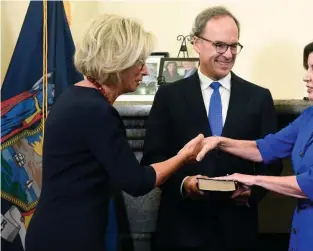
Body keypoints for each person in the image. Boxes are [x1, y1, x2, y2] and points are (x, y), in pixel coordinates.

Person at [25, 14, 203, 251]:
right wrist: (184, 155)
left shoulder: (76, 96)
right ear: (118, 61)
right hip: (69, 237)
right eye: (140, 62)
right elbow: (137, 182)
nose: (146, 72)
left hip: (54, 230)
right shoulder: (96, 111)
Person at [196, 38, 313, 251]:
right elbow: (265, 148)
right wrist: (219, 142)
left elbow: (312, 185)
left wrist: (251, 179)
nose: (306, 76)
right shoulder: (311, 115)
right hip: (303, 223)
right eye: (307, 68)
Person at [140, 6, 282, 251]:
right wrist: (185, 184)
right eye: (219, 45)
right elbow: (154, 158)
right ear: (196, 43)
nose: (228, 54)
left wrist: (252, 192)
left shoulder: (258, 97)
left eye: (233, 46)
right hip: (182, 229)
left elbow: (273, 159)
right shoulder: (169, 96)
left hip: (238, 230)